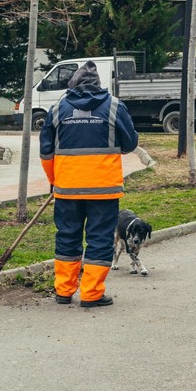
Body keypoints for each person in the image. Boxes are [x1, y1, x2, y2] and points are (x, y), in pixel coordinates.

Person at [39, 61, 139, 308]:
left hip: (67, 189)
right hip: (103, 190)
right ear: (98, 85)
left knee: (67, 237)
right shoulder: (114, 106)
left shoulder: (57, 109)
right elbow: (129, 144)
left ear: (72, 84)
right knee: (100, 239)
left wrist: (54, 182)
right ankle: (91, 294)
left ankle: (64, 291)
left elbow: (46, 153)